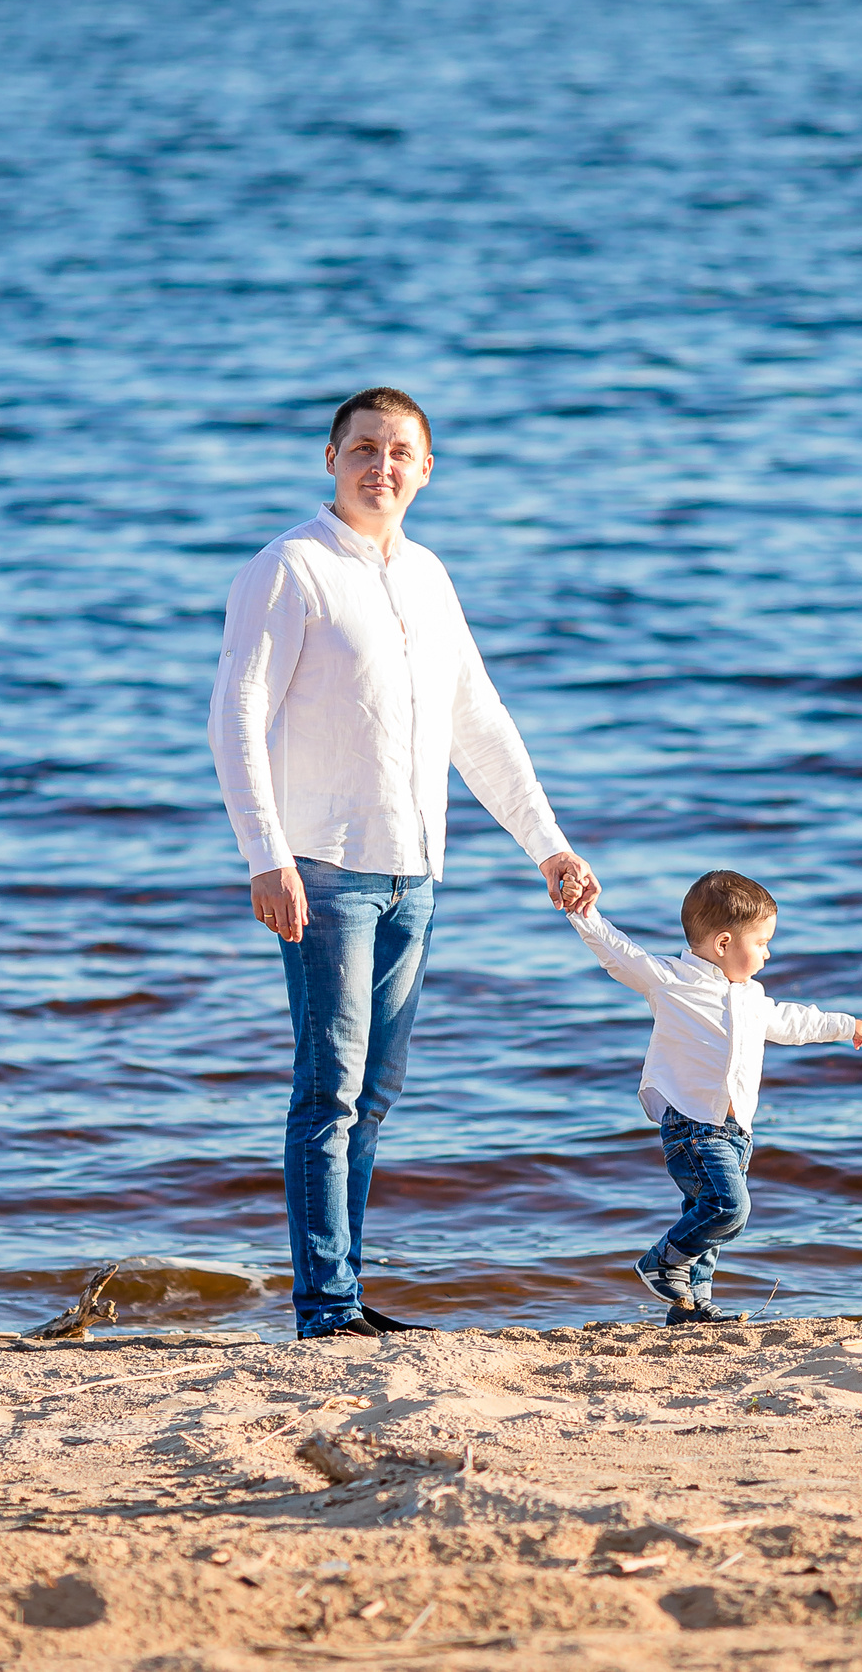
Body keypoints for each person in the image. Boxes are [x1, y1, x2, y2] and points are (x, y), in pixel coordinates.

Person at [209, 387, 599, 1341]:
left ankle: (341, 1289)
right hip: (325, 869)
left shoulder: (428, 575)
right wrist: (265, 855)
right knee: (327, 1090)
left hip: (416, 872)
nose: (381, 465)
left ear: (427, 469)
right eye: (364, 448)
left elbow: (481, 724)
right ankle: (325, 1308)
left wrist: (546, 843)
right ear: (331, 458)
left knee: (373, 1094)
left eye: (400, 451)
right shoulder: (289, 568)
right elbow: (236, 716)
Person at [565, 869, 862, 1325]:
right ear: (722, 944)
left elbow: (793, 1022)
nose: (768, 954)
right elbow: (619, 953)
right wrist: (584, 912)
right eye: (761, 943)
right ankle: (660, 1260)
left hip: (737, 1132)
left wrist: (846, 1026)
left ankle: (690, 1308)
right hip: (692, 1126)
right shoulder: (673, 981)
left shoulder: (752, 998)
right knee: (729, 1209)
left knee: (707, 1225)